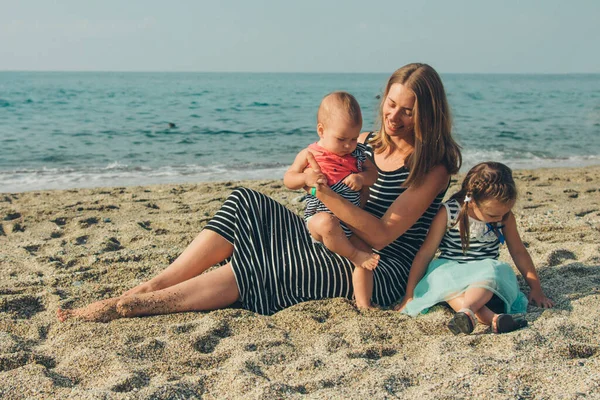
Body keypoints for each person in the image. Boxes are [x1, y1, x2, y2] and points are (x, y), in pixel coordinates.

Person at [56, 63, 462, 322]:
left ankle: (152, 303)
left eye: (407, 111)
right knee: (244, 202)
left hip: (376, 267)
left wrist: (328, 195)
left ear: (427, 113)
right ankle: (154, 285)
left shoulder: (432, 168)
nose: (394, 116)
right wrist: (309, 176)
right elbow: (313, 168)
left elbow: (382, 236)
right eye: (390, 104)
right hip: (334, 231)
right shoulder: (365, 142)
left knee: (274, 260)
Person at [395, 162, 554, 334]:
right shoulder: (449, 212)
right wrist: (409, 294)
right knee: (443, 278)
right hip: (451, 272)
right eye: (493, 215)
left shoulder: (504, 217)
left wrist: (536, 288)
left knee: (491, 272)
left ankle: (467, 311)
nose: (499, 218)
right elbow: (426, 253)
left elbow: (518, 251)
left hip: (484, 279)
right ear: (472, 200)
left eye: (504, 213)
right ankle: (492, 319)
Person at [284, 91, 380, 309]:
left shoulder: (358, 155)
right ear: (321, 130)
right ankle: (353, 255)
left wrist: (361, 177)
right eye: (341, 139)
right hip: (318, 220)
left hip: (349, 224)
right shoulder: (310, 154)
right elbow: (289, 179)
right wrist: (305, 177)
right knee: (329, 224)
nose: (348, 145)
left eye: (354, 139)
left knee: (369, 258)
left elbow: (373, 175)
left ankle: (364, 304)